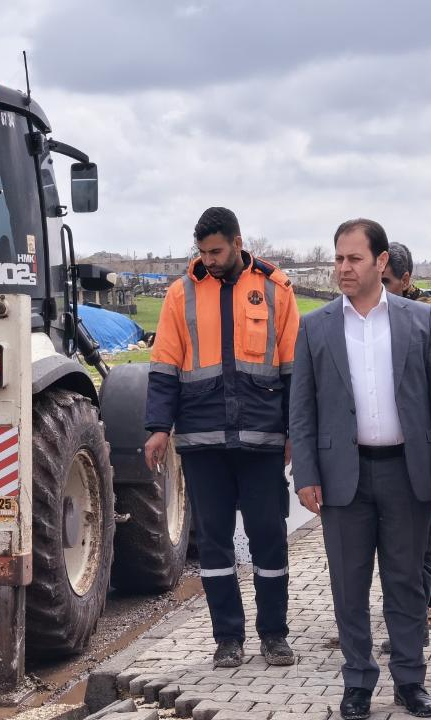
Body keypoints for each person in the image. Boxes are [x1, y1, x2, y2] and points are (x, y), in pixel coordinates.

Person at [289, 218, 431, 719]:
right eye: (338, 258)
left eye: (354, 258)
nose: (343, 268)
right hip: (342, 477)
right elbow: (302, 408)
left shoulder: (420, 321)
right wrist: (306, 474)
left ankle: (410, 680)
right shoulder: (316, 326)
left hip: (407, 473)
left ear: (381, 261)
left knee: (406, 583)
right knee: (349, 585)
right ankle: (358, 681)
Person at [143, 206, 299, 668]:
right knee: (214, 542)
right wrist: (158, 429)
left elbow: (294, 369)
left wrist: (295, 430)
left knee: (269, 536)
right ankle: (228, 638)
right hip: (202, 439)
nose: (208, 260)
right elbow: (164, 365)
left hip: (262, 438)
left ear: (237, 242)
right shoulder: (181, 294)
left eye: (215, 251)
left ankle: (274, 635)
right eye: (202, 252)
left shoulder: (275, 288)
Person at [381, 242, 431, 633]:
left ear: (406, 279)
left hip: (424, 440)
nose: (378, 288)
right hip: (383, 443)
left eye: (386, 281)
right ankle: (405, 604)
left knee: (425, 530)